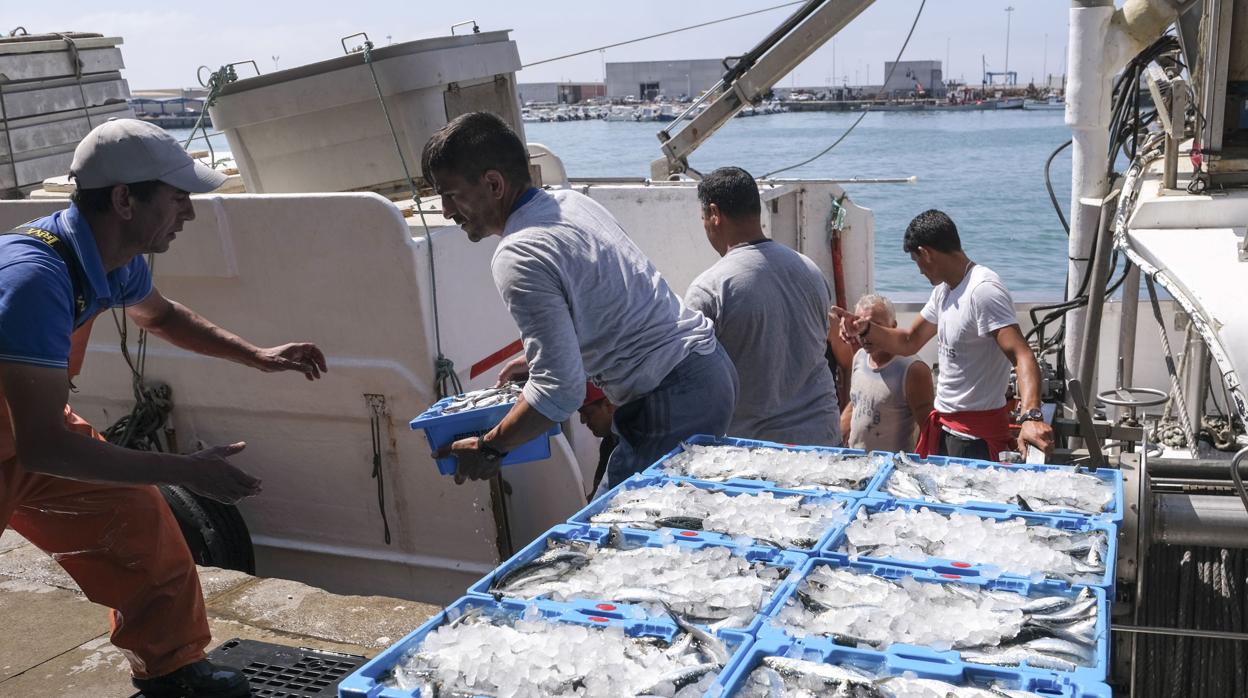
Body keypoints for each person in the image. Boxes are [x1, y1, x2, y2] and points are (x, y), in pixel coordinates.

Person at [0, 119, 327, 697]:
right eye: (178, 200)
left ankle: (173, 670)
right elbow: (45, 445)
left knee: (137, 520)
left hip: (23, 427)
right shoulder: (34, 278)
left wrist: (258, 356)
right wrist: (186, 469)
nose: (189, 214)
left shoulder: (112, 258)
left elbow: (163, 316)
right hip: (32, 433)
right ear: (125, 199)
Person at [423, 112, 737, 488]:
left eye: (451, 195)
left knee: (615, 536)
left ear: (493, 184)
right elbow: (611, 301)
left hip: (672, 395)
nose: (446, 211)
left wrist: (490, 447)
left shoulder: (517, 254)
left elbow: (560, 391)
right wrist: (541, 358)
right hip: (709, 369)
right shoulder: (572, 203)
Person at [834, 209, 1054, 460]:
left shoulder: (983, 291)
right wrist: (865, 328)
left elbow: (1022, 355)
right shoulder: (944, 292)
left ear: (925, 253)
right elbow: (908, 340)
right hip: (945, 429)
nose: (920, 272)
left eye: (916, 262)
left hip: (975, 438)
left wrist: (1030, 416)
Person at [683, 166, 841, 446]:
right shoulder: (811, 271)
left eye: (703, 218)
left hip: (755, 454)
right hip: (822, 440)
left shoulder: (709, 289)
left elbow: (692, 384)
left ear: (715, 214)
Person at [840, 293, 934, 452]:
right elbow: (857, 401)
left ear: (893, 326)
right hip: (855, 465)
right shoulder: (860, 357)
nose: (865, 334)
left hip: (892, 469)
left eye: (873, 326)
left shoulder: (912, 370)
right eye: (859, 325)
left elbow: (928, 429)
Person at [577, 383, 618, 498]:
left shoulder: (632, 442)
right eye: (580, 414)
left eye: (588, 413)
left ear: (608, 405)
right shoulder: (608, 444)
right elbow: (597, 494)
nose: (582, 420)